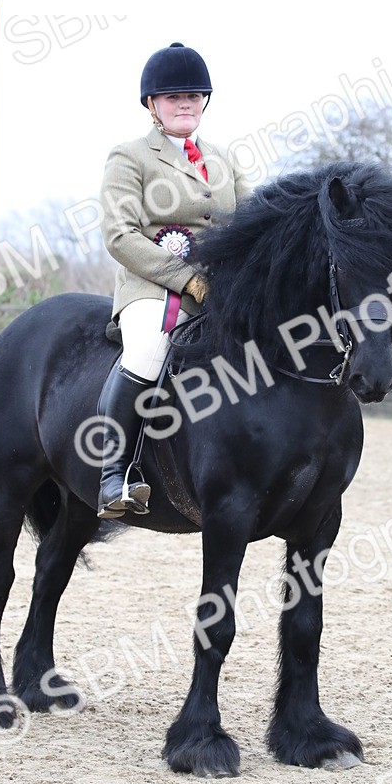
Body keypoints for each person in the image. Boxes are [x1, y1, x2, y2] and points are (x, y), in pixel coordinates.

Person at [97, 42, 251, 518]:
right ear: (152, 105)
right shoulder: (130, 157)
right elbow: (119, 234)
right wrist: (186, 280)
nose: (185, 104)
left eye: (194, 96)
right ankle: (114, 472)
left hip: (223, 292)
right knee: (147, 350)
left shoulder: (225, 160)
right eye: (173, 97)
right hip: (153, 288)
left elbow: (253, 223)